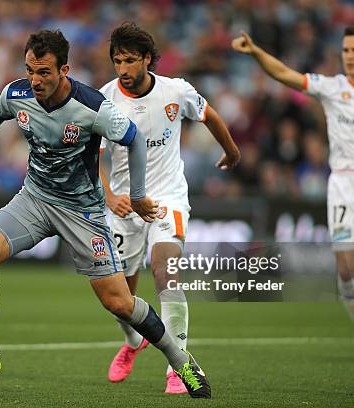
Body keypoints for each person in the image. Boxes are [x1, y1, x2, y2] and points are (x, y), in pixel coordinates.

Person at [0, 29, 211, 398]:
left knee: (119, 303)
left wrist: (138, 196)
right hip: (34, 199)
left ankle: (182, 362)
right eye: (30, 70)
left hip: (82, 212)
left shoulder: (91, 106)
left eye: (44, 72)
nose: (35, 80)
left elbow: (134, 139)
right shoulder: (17, 93)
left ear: (64, 69)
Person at [232, 26, 354, 361]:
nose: (349, 56)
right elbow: (285, 74)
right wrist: (256, 52)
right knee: (345, 268)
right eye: (345, 50)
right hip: (341, 184)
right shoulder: (332, 87)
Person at [99, 22, 240, 393]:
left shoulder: (176, 91)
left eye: (130, 60)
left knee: (166, 272)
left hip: (167, 199)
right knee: (119, 298)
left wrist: (232, 151)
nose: (123, 69)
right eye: (117, 61)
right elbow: (90, 156)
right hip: (124, 205)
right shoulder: (103, 99)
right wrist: (110, 196)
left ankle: (178, 366)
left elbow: (208, 115)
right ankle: (132, 342)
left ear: (147, 59)